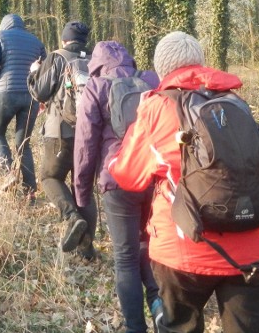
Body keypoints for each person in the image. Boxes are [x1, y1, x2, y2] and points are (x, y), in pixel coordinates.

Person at [109, 31, 259, 333]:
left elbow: (128, 176)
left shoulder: (156, 107)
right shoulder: (236, 102)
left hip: (186, 250)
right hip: (258, 251)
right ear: (202, 63)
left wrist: (113, 157)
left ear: (161, 70)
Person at [74, 40, 162, 332]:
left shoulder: (96, 86)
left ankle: (136, 327)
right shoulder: (150, 79)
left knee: (125, 257)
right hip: (153, 175)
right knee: (151, 247)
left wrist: (82, 192)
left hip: (118, 180)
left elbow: (85, 145)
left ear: (96, 63)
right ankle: (163, 312)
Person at [27, 20, 95, 258]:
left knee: (49, 177)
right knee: (82, 187)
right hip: (91, 134)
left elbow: (40, 92)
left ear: (65, 39)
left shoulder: (57, 58)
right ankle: (87, 250)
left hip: (61, 131)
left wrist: (34, 73)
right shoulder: (95, 58)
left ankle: (71, 216)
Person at [0, 13, 46, 202]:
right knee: (23, 143)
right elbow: (47, 68)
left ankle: (9, 171)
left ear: (4, 25)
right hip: (31, 96)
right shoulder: (36, 41)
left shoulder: (0, 36)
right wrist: (40, 92)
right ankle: (30, 193)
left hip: (7, 93)